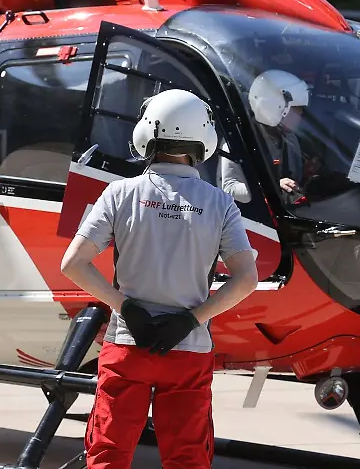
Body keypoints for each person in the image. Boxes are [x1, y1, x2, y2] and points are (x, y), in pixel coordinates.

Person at [60, 88, 260, 469]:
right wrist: (189, 320)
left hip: (127, 345)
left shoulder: (120, 193)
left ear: (146, 134)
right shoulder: (220, 203)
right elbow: (245, 279)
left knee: (109, 453)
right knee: (187, 458)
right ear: (203, 141)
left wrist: (127, 308)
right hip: (188, 349)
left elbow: (73, 264)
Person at [218, 69, 310, 204]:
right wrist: (270, 187)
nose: (301, 114)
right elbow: (228, 188)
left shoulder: (290, 139)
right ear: (275, 108)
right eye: (296, 109)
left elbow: (294, 179)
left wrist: (307, 177)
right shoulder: (238, 140)